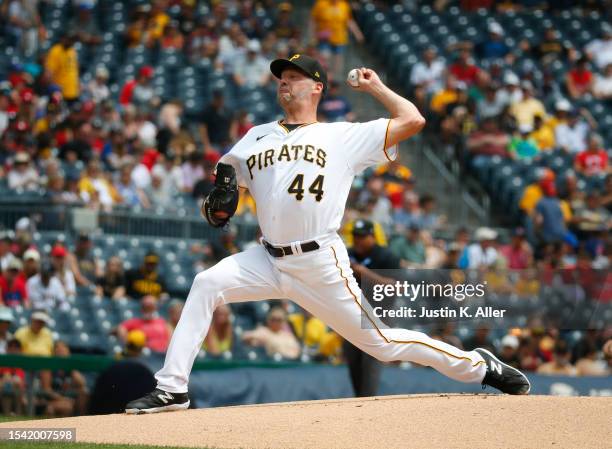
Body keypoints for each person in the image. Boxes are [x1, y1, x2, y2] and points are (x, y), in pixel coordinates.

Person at [127, 54, 529, 414]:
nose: (284, 82)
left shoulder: (342, 136)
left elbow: (414, 121)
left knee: (382, 345)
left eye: (294, 76)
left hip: (320, 262)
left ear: (316, 86)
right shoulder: (255, 136)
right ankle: (172, 389)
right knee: (206, 282)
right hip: (267, 259)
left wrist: (375, 87)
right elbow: (223, 183)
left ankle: (479, 365)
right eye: (281, 77)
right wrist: (217, 201)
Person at [344, 219, 400, 397]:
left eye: (362, 236)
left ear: (372, 236)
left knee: (371, 361)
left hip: (379, 314)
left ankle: (368, 402)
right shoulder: (348, 253)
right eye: (355, 236)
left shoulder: (386, 255)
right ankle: (359, 401)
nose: (358, 240)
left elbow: (396, 286)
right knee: (353, 360)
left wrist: (364, 273)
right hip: (353, 314)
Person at [45, 32, 80, 102]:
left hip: (73, 91)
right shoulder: (55, 51)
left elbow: (75, 69)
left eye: (72, 40)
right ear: (63, 39)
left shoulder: (72, 51)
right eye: (69, 39)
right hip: (59, 91)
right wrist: (52, 90)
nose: (70, 42)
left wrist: (78, 85)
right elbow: (49, 72)